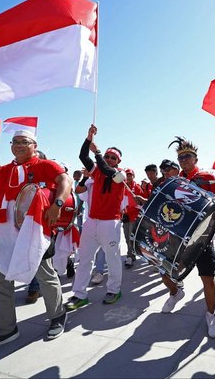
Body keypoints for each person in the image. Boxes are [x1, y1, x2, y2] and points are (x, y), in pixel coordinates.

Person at [0, 130, 71, 353]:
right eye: (14, 142)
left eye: (23, 142)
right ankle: (5, 330)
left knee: (45, 277)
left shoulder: (45, 165)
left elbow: (65, 180)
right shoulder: (1, 172)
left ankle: (57, 315)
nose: (18, 145)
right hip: (3, 233)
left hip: (34, 232)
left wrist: (57, 203)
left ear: (34, 145)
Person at [160, 137, 215, 339]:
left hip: (202, 238)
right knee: (164, 273)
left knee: (208, 279)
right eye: (180, 157)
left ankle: (211, 315)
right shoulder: (174, 182)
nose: (183, 160)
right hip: (178, 237)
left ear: (195, 158)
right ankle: (176, 293)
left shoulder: (207, 177)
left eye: (187, 156)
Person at [65, 125, 124, 311]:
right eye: (107, 156)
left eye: (112, 157)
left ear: (118, 161)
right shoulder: (96, 171)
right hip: (91, 222)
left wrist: (97, 151)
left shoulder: (118, 175)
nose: (108, 159)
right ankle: (79, 294)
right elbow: (83, 156)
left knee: (113, 258)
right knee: (84, 259)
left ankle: (114, 290)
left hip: (110, 223)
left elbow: (107, 170)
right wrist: (88, 138)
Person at [122, 168, 143, 268]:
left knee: (131, 237)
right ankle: (132, 254)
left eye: (130, 175)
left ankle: (130, 256)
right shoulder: (122, 186)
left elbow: (141, 202)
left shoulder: (137, 187)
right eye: (127, 175)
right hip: (125, 217)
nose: (128, 177)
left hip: (134, 217)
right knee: (126, 237)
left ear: (133, 176)